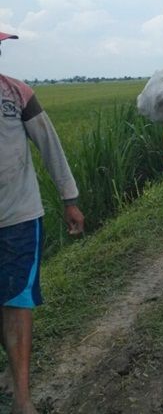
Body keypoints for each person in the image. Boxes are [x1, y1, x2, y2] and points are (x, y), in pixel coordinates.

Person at [0, 31, 85, 414]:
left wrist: (70, 199)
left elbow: (50, 145)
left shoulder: (17, 94)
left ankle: (22, 398)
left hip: (18, 216)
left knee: (17, 302)